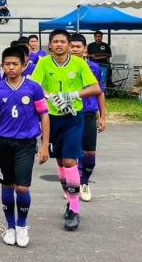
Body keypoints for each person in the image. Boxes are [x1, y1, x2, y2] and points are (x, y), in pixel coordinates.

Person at [28, 29, 101, 232]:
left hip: (73, 118)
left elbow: (95, 88)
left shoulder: (79, 64)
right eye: (55, 41)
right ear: (50, 45)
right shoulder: (43, 63)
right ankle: (70, 200)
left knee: (70, 161)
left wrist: (73, 95)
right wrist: (49, 96)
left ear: (68, 45)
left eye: (63, 41)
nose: (59, 44)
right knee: (60, 162)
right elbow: (34, 86)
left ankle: (75, 210)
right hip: (51, 119)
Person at [0, 46, 50, 248]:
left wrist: (44, 145)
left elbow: (44, 116)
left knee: (22, 187)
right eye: (7, 64)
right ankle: (10, 226)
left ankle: (22, 225)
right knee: (7, 185)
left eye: (15, 64)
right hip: (4, 143)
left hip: (26, 144)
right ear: (2, 66)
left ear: (24, 65)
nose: (11, 68)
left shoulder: (34, 88)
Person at [69, 34, 107, 202]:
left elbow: (100, 92)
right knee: (71, 152)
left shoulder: (94, 68)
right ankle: (74, 184)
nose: (74, 49)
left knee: (89, 152)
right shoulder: (63, 68)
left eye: (78, 47)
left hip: (89, 113)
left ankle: (84, 182)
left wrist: (103, 117)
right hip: (69, 114)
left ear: (85, 49)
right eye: (72, 46)